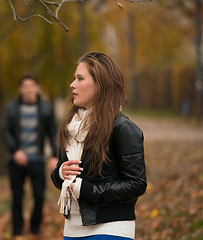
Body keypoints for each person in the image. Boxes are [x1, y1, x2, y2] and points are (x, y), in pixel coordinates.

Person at [51, 52, 147, 240]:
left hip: (112, 227)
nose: (72, 84)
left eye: (80, 78)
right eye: (74, 78)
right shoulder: (70, 127)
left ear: (100, 84)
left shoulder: (123, 128)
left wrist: (88, 190)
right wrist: (61, 173)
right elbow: (59, 177)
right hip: (72, 229)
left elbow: (136, 183)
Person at [2, 74, 58, 237]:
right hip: (16, 160)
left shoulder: (46, 108)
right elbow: (5, 130)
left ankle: (35, 228)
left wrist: (54, 155)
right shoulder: (11, 108)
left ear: (37, 88)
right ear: (20, 89)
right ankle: (17, 230)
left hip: (38, 160)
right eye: (25, 86)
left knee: (39, 196)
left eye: (32, 86)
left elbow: (53, 133)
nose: (29, 90)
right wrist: (15, 151)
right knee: (17, 198)